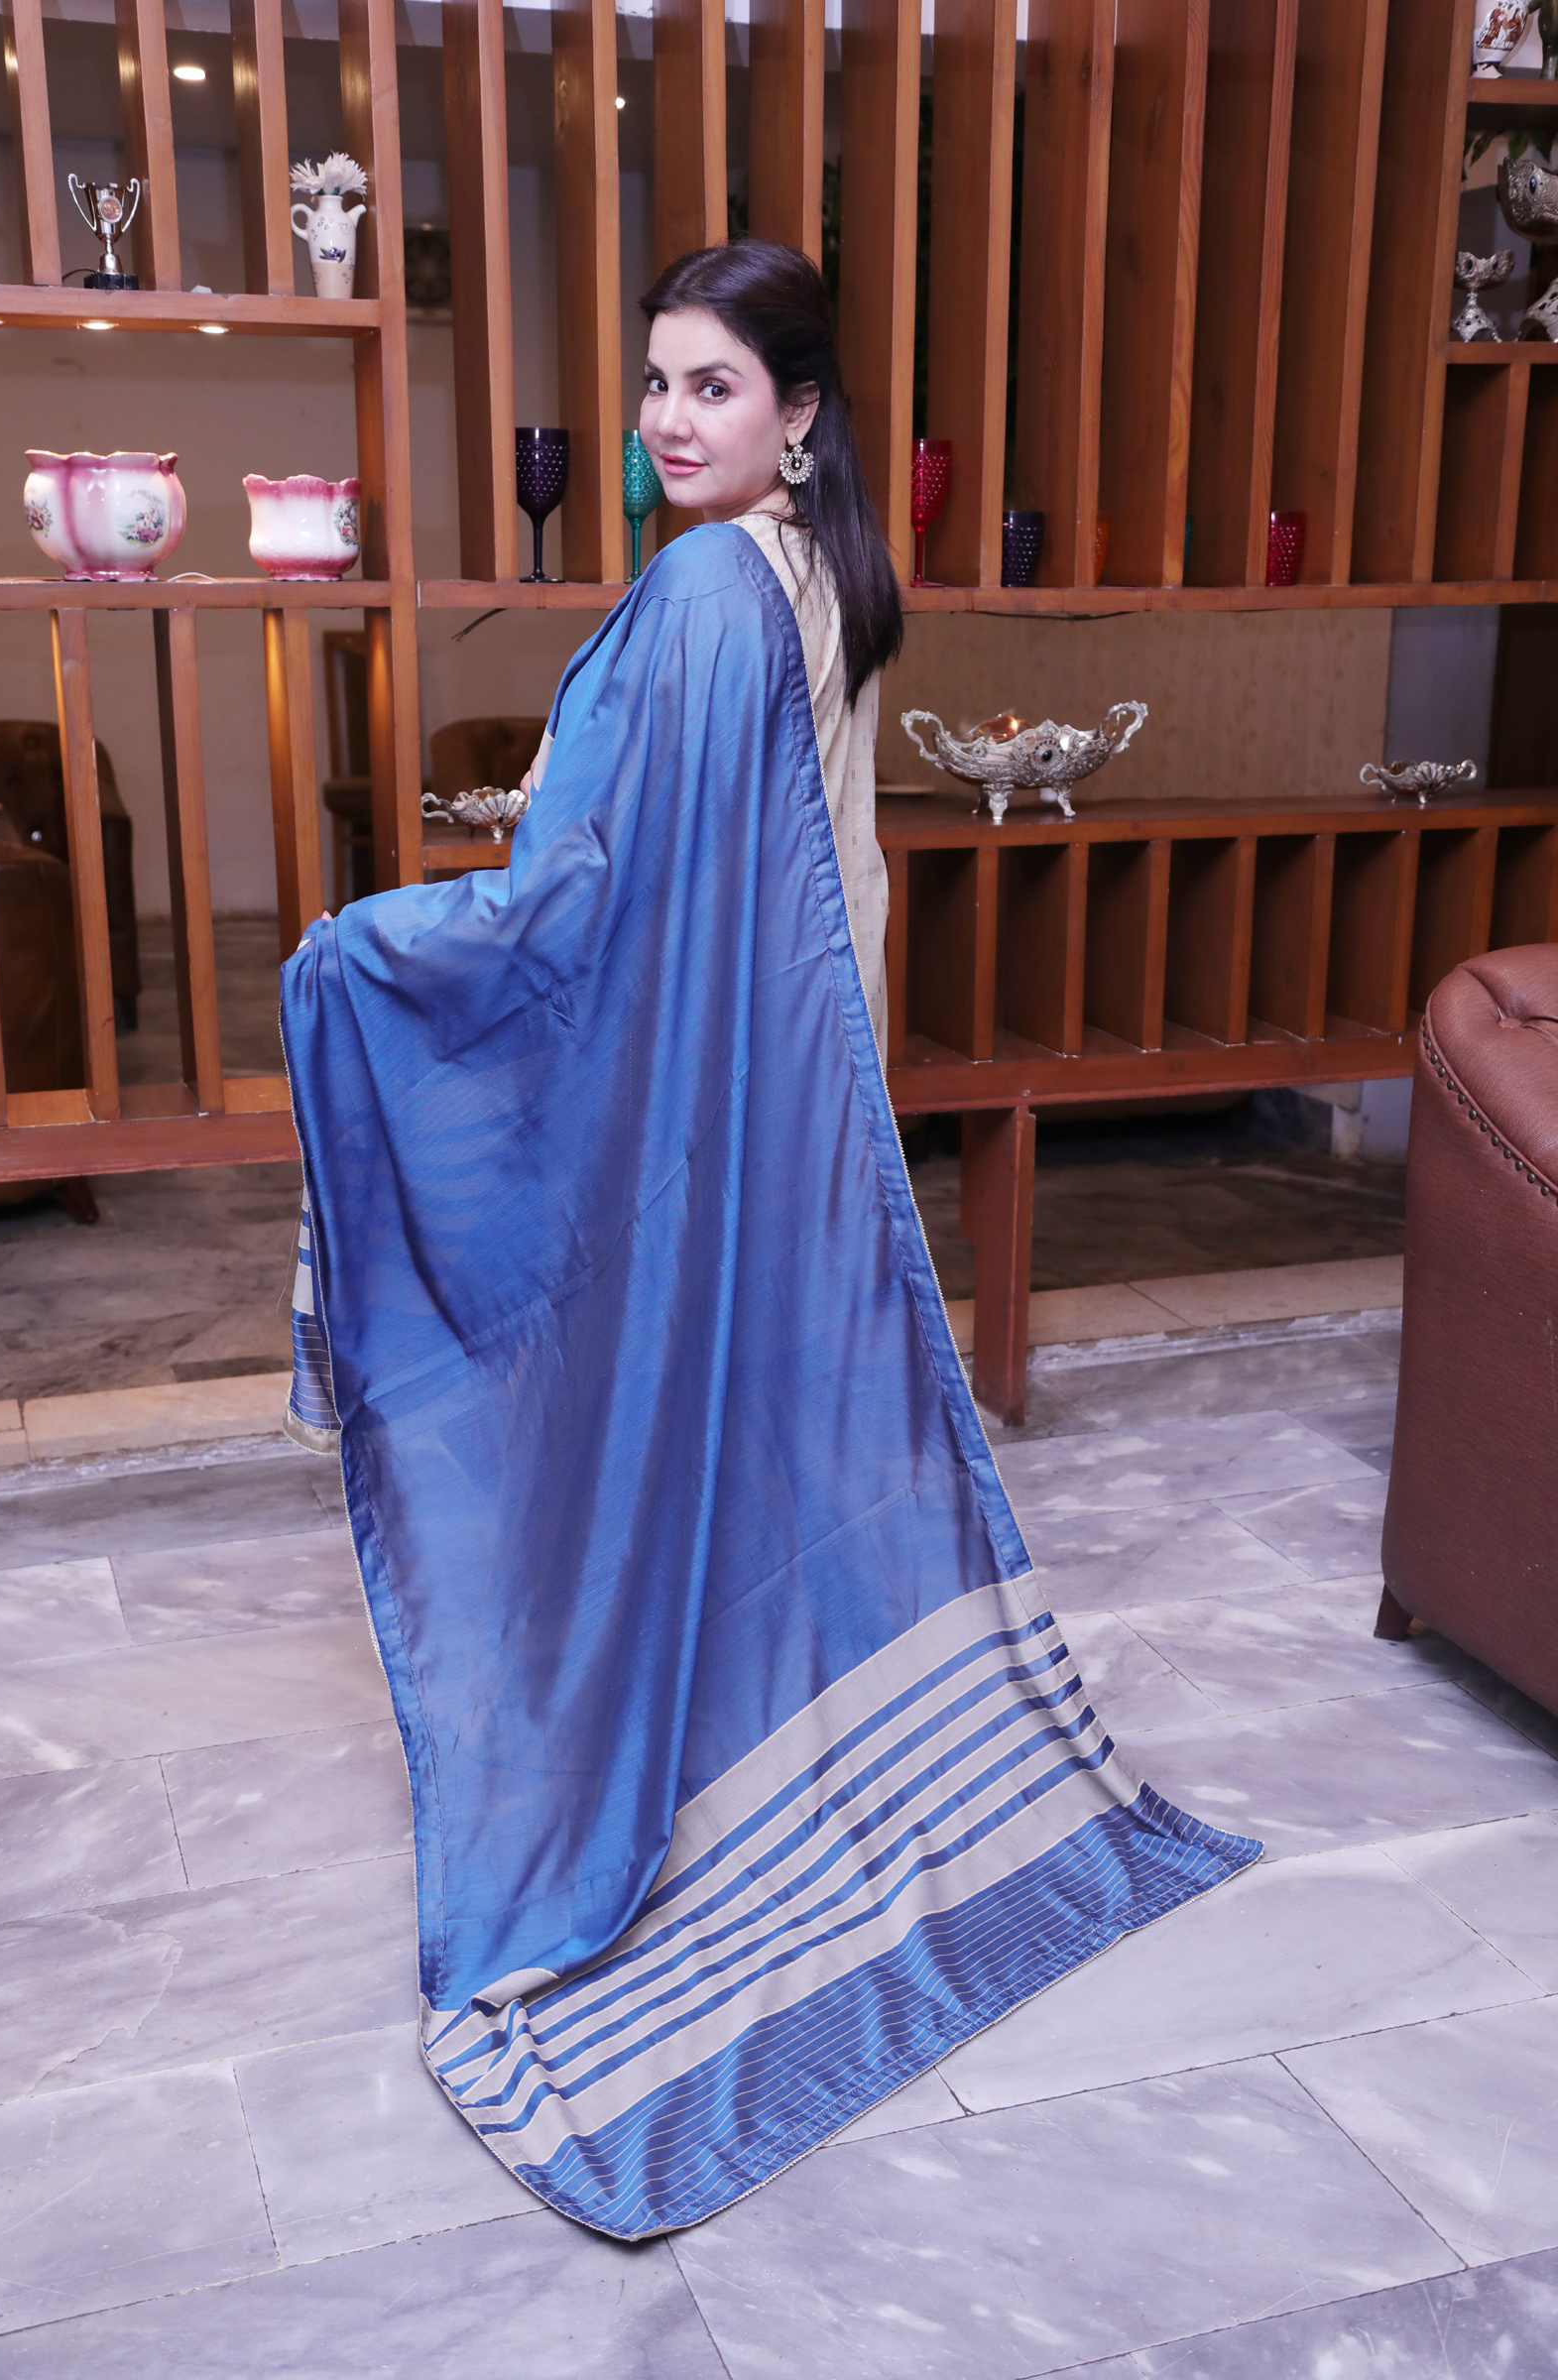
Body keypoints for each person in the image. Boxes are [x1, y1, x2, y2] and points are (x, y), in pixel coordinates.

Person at [280, 239, 1258, 2240]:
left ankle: (701, 1777)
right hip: (792, 1073)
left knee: (657, 1421)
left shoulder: (709, 590)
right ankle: (806, 1751)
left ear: (797, 412)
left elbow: (574, 903)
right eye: (653, 383)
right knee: (764, 1425)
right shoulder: (814, 574)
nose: (665, 420)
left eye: (710, 386)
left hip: (713, 1089)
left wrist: (365, 950)